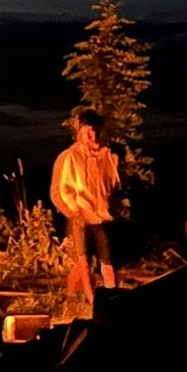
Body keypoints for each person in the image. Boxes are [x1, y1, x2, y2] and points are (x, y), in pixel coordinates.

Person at [51, 108, 121, 297]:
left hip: (101, 216)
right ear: (79, 133)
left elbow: (112, 186)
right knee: (82, 259)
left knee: (106, 255)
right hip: (79, 214)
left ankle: (110, 293)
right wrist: (72, 211)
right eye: (85, 131)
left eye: (93, 129)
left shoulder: (108, 156)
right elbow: (58, 191)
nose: (90, 135)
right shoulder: (69, 157)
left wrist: (110, 206)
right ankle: (82, 297)